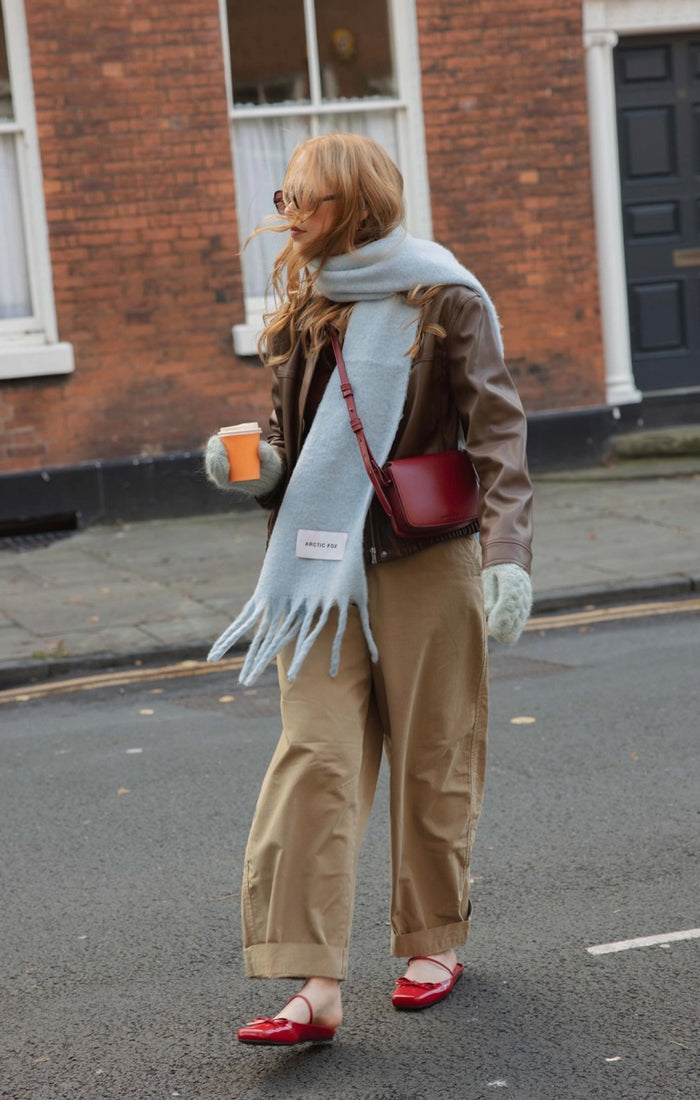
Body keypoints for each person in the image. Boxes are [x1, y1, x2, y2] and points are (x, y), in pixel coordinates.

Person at [204, 133, 533, 1046]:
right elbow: (290, 442)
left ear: (352, 203)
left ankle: (434, 940)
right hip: (317, 573)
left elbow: (497, 432)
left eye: (301, 197)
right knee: (314, 756)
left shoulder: (446, 298)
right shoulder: (303, 306)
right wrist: (252, 466)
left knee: (435, 754)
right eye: (283, 195)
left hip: (426, 557)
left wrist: (508, 553)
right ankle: (313, 983)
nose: (285, 213)